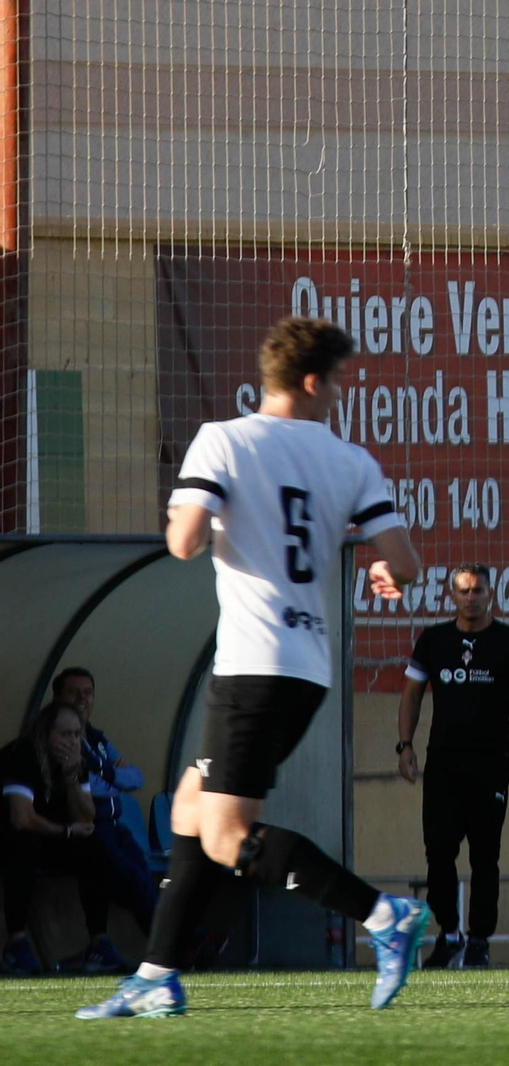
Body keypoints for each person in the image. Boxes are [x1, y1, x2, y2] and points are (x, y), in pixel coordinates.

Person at [77, 317, 430, 1019]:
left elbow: (181, 543)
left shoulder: (224, 440)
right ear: (311, 381)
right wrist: (388, 572)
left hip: (253, 667)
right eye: (337, 380)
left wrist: (203, 520)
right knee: (190, 808)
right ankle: (157, 973)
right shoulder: (350, 460)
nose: (339, 394)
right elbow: (407, 562)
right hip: (303, 666)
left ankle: (383, 915)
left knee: (228, 833)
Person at [398, 563, 509, 969]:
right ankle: (448, 935)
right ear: (452, 596)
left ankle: (479, 941)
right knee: (439, 852)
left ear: (490, 594)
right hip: (442, 763)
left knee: (485, 855)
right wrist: (405, 745)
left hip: (490, 764)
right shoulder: (434, 640)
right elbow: (412, 692)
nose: (471, 597)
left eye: (478, 590)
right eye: (463, 590)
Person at [1, 702, 124, 975]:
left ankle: (98, 944)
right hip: (12, 836)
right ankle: (16, 944)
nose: (72, 741)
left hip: (46, 836)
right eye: (65, 734)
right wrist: (67, 831)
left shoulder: (73, 760)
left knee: (95, 847)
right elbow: (21, 818)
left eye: (77, 734)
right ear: (46, 734)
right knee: (23, 845)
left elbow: (86, 818)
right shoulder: (23, 755)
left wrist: (71, 779)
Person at [53, 667, 159, 944]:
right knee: (133, 881)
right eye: (73, 692)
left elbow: (136, 778)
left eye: (87, 693)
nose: (81, 698)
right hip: (87, 829)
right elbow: (92, 786)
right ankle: (175, 944)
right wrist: (112, 777)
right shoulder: (57, 738)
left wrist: (104, 771)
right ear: (57, 697)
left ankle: (175, 945)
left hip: (115, 827)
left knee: (146, 878)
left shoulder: (97, 738)